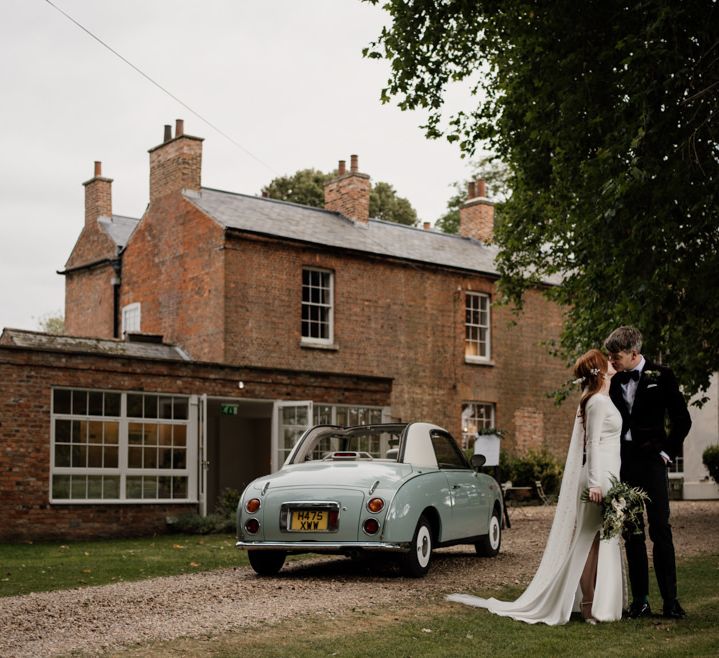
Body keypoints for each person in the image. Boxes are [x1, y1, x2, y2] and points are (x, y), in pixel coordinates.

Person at [447, 349, 623, 625]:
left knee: (600, 541)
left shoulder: (604, 399)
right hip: (597, 481)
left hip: (610, 477)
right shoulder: (597, 403)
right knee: (588, 541)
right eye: (607, 361)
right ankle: (588, 604)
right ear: (599, 370)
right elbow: (592, 446)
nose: (612, 363)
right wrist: (595, 484)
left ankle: (595, 601)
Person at [604, 326, 691, 619]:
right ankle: (640, 601)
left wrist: (666, 453)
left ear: (634, 353)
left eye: (616, 357)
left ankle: (670, 600)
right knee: (632, 532)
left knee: (660, 530)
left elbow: (683, 420)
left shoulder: (662, 376)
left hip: (653, 464)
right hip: (624, 464)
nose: (612, 361)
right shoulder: (613, 381)